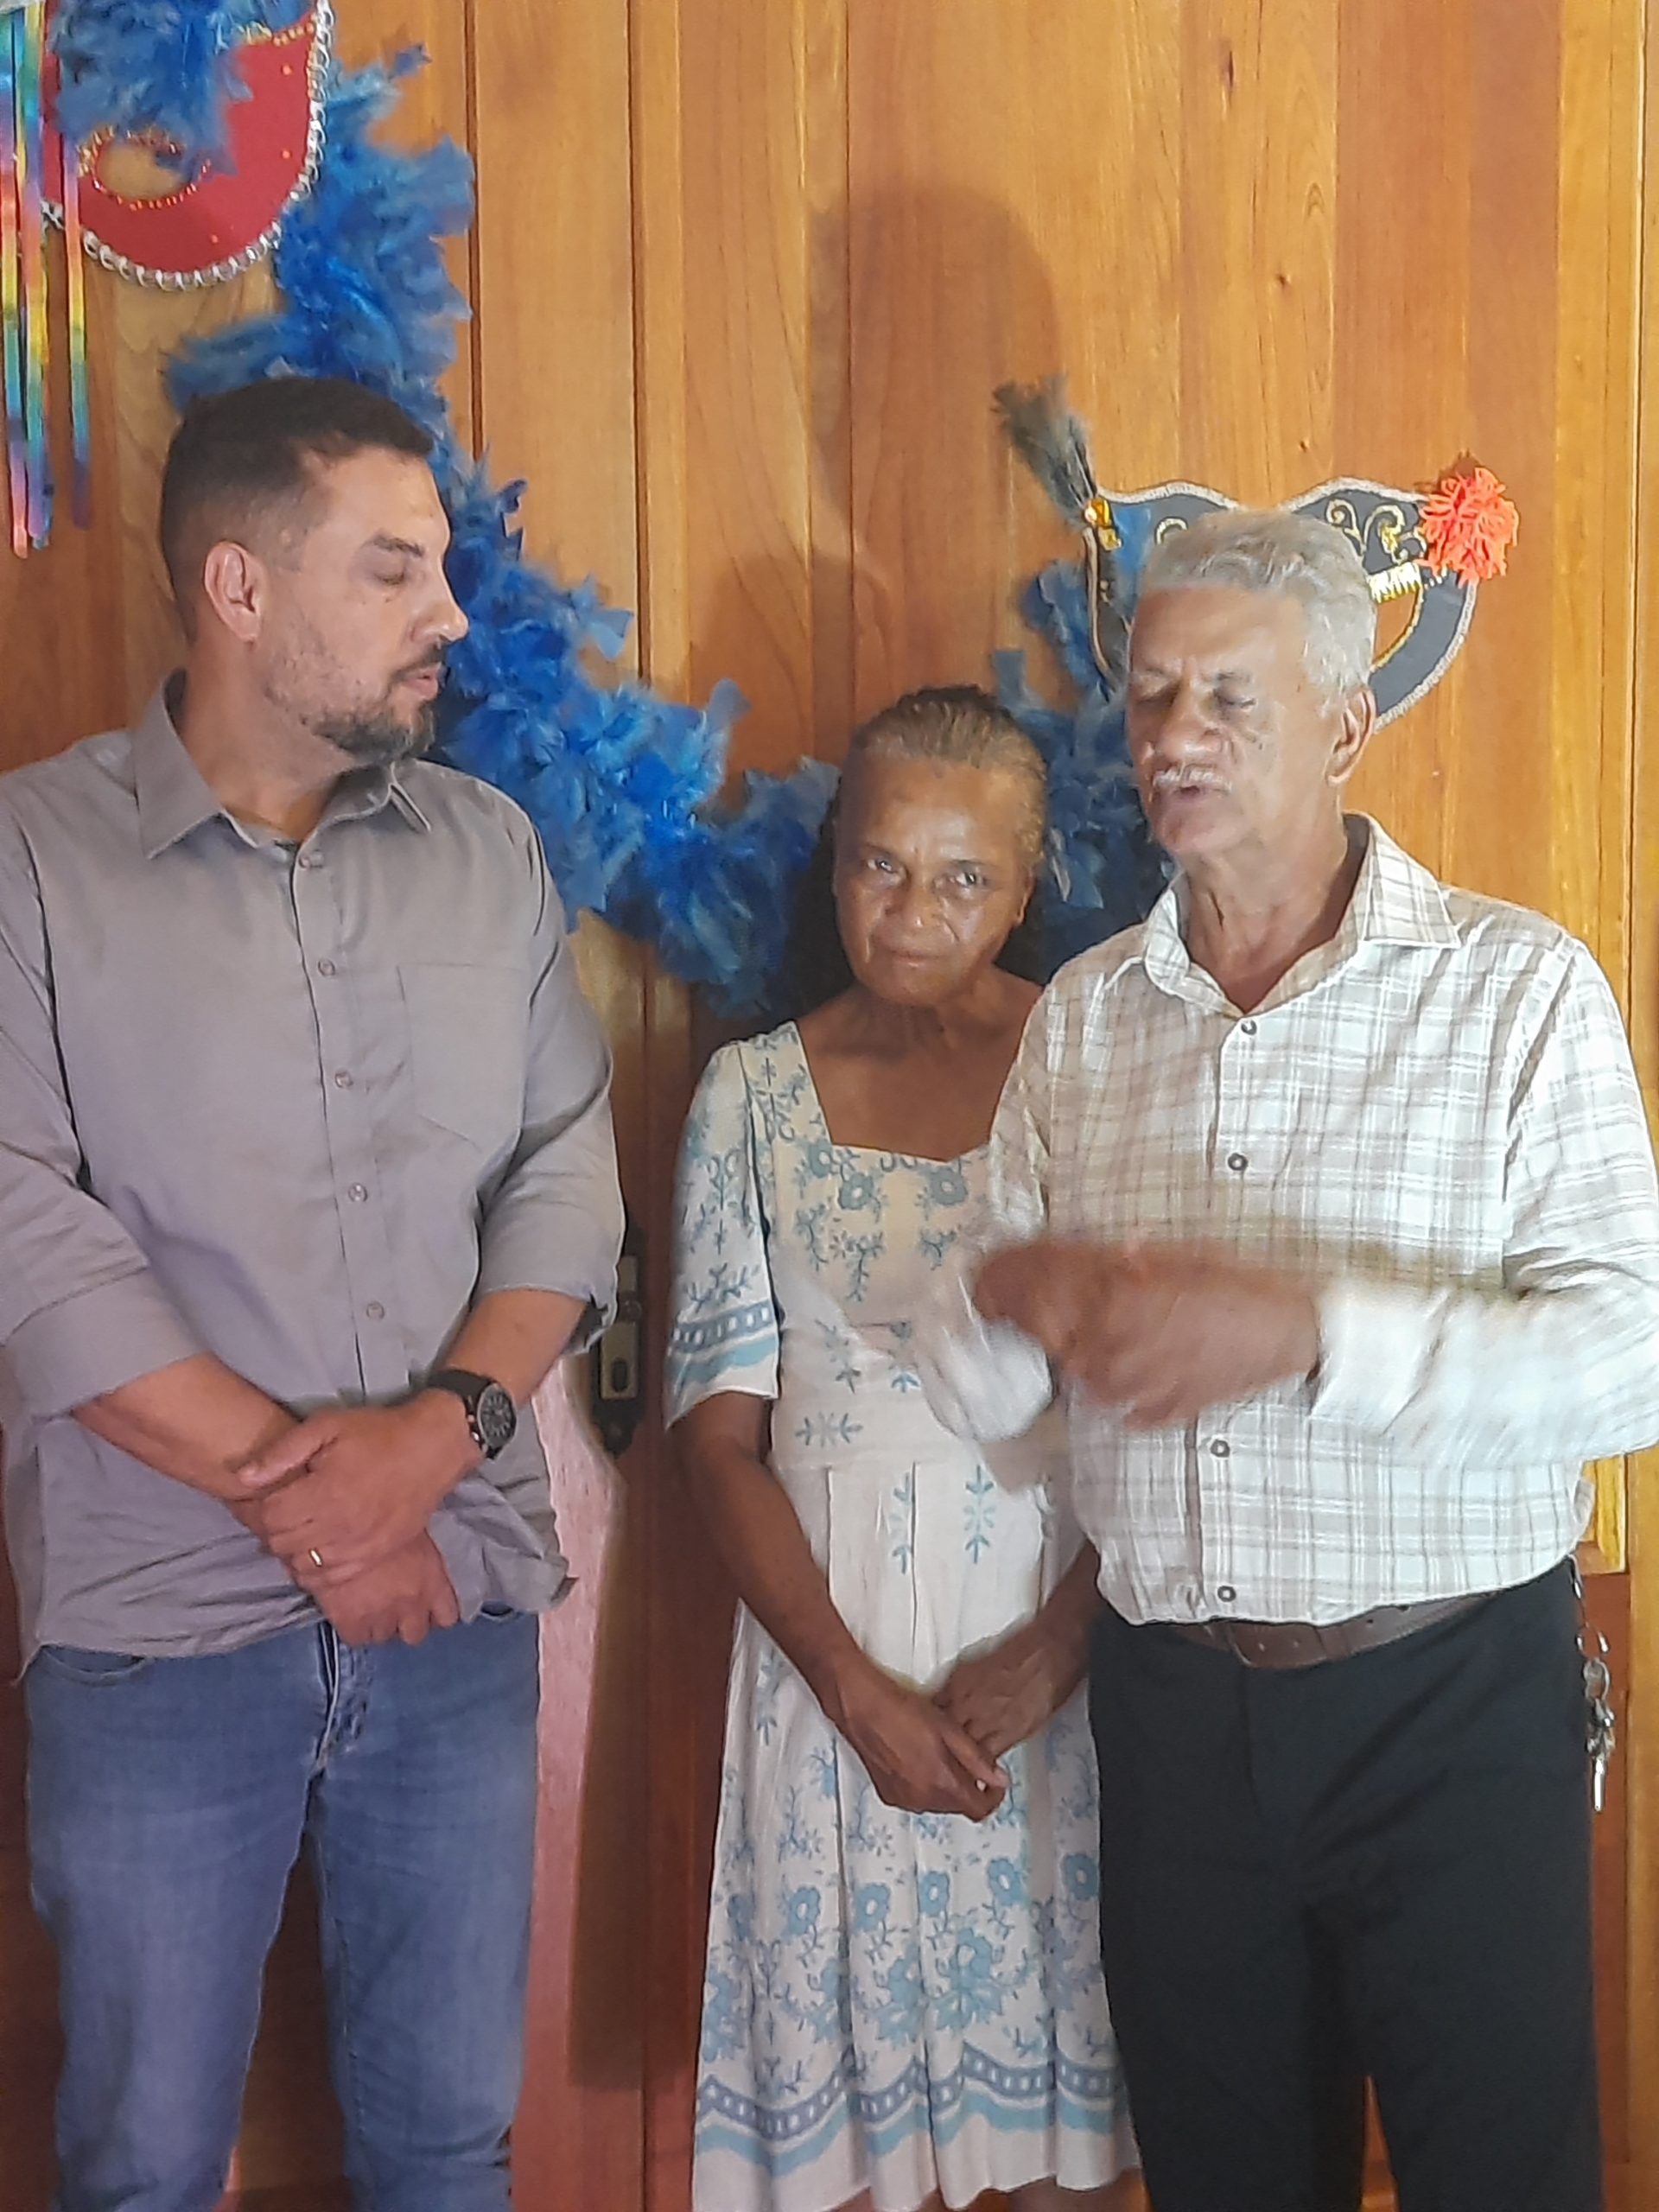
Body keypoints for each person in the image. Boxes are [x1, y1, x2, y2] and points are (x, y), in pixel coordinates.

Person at [917, 508, 1659, 2212]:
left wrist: (1313, 1332)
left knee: (1503, 2180)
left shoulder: (1515, 991)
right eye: (1152, 694)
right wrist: (1011, 1294)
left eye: (1229, 698)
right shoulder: (1085, 1019)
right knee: (1224, 2178)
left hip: (1452, 1702)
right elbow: (991, 1400)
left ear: (1344, 720)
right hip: (1174, 1715)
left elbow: (1629, 1359)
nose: (1173, 735)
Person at [0, 374, 623, 2211]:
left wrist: (433, 1446)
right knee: (143, 2164)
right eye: (395, 567)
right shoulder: (29, 861)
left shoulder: (486, 854)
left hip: (454, 1604)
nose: (451, 614)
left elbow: (567, 1173)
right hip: (156, 1630)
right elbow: (25, 1228)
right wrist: (330, 1510)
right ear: (240, 587)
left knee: (449, 2148)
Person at [666, 686, 1138, 2212]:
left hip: (1057, 1667)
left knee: (1072, 2137)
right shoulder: (749, 1098)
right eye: (881, 864)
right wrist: (851, 1691)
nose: (914, 912)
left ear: (1027, 882)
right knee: (858, 2154)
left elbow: (1165, 1417)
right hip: (832, 1669)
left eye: (963, 876)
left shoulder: (1099, 1069)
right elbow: (718, 1444)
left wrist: (1058, 1652)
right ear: (835, 860)